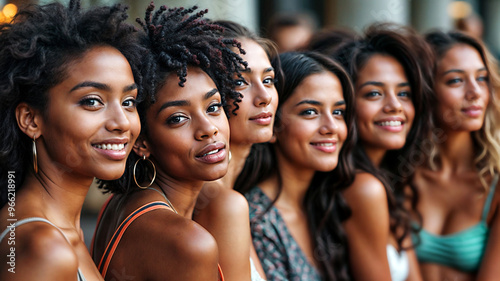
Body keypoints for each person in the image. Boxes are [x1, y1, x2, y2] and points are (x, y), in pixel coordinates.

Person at [91, 4, 245, 281]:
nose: (208, 129)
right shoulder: (187, 242)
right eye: (178, 118)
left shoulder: (120, 205)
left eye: (213, 107)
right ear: (142, 142)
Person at [0, 0, 143, 280]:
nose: (122, 122)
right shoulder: (44, 249)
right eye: (92, 101)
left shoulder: (62, 229)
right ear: (30, 120)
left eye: (128, 101)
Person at [237, 52, 356, 281]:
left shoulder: (327, 202)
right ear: (273, 122)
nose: (331, 127)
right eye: (310, 112)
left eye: (338, 112)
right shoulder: (257, 220)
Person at [333, 23, 432, 281]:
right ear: (345, 104)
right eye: (374, 93)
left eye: (404, 93)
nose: (395, 106)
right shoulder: (364, 188)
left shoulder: (386, 179)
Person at [411, 30, 500, 281]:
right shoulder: (401, 173)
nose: (475, 92)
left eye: (482, 79)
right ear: (426, 90)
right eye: (455, 81)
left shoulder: (495, 182)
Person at [193, 20, 279, 281]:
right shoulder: (220, 203)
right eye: (240, 82)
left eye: (268, 79)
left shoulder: (228, 195)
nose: (264, 95)